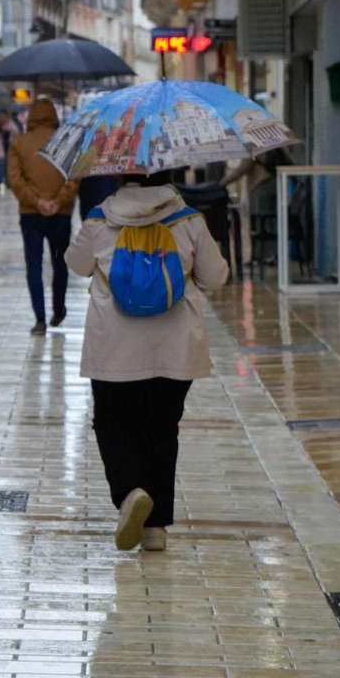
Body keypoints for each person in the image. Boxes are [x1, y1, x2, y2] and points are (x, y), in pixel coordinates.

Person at [66, 172, 229, 553]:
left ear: (122, 177)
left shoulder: (99, 218)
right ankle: (155, 529)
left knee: (112, 422)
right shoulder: (188, 219)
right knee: (161, 428)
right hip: (176, 344)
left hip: (114, 345)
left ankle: (129, 493)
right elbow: (215, 277)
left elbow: (76, 264)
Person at [7, 98, 78, 335]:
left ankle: (39, 319)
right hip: (61, 215)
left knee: (34, 266)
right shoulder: (66, 143)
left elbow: (15, 180)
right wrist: (58, 201)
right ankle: (59, 309)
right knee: (60, 263)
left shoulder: (19, 143)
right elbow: (75, 176)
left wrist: (37, 201)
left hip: (31, 216)